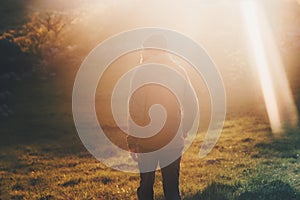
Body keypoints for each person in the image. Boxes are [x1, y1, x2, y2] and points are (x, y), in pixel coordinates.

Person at [126, 35, 197, 200]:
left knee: (146, 187)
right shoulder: (179, 70)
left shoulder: (140, 71)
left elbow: (135, 110)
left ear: (148, 50)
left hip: (147, 141)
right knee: (172, 189)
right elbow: (192, 105)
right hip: (173, 139)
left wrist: (133, 141)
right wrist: (184, 129)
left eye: (144, 49)